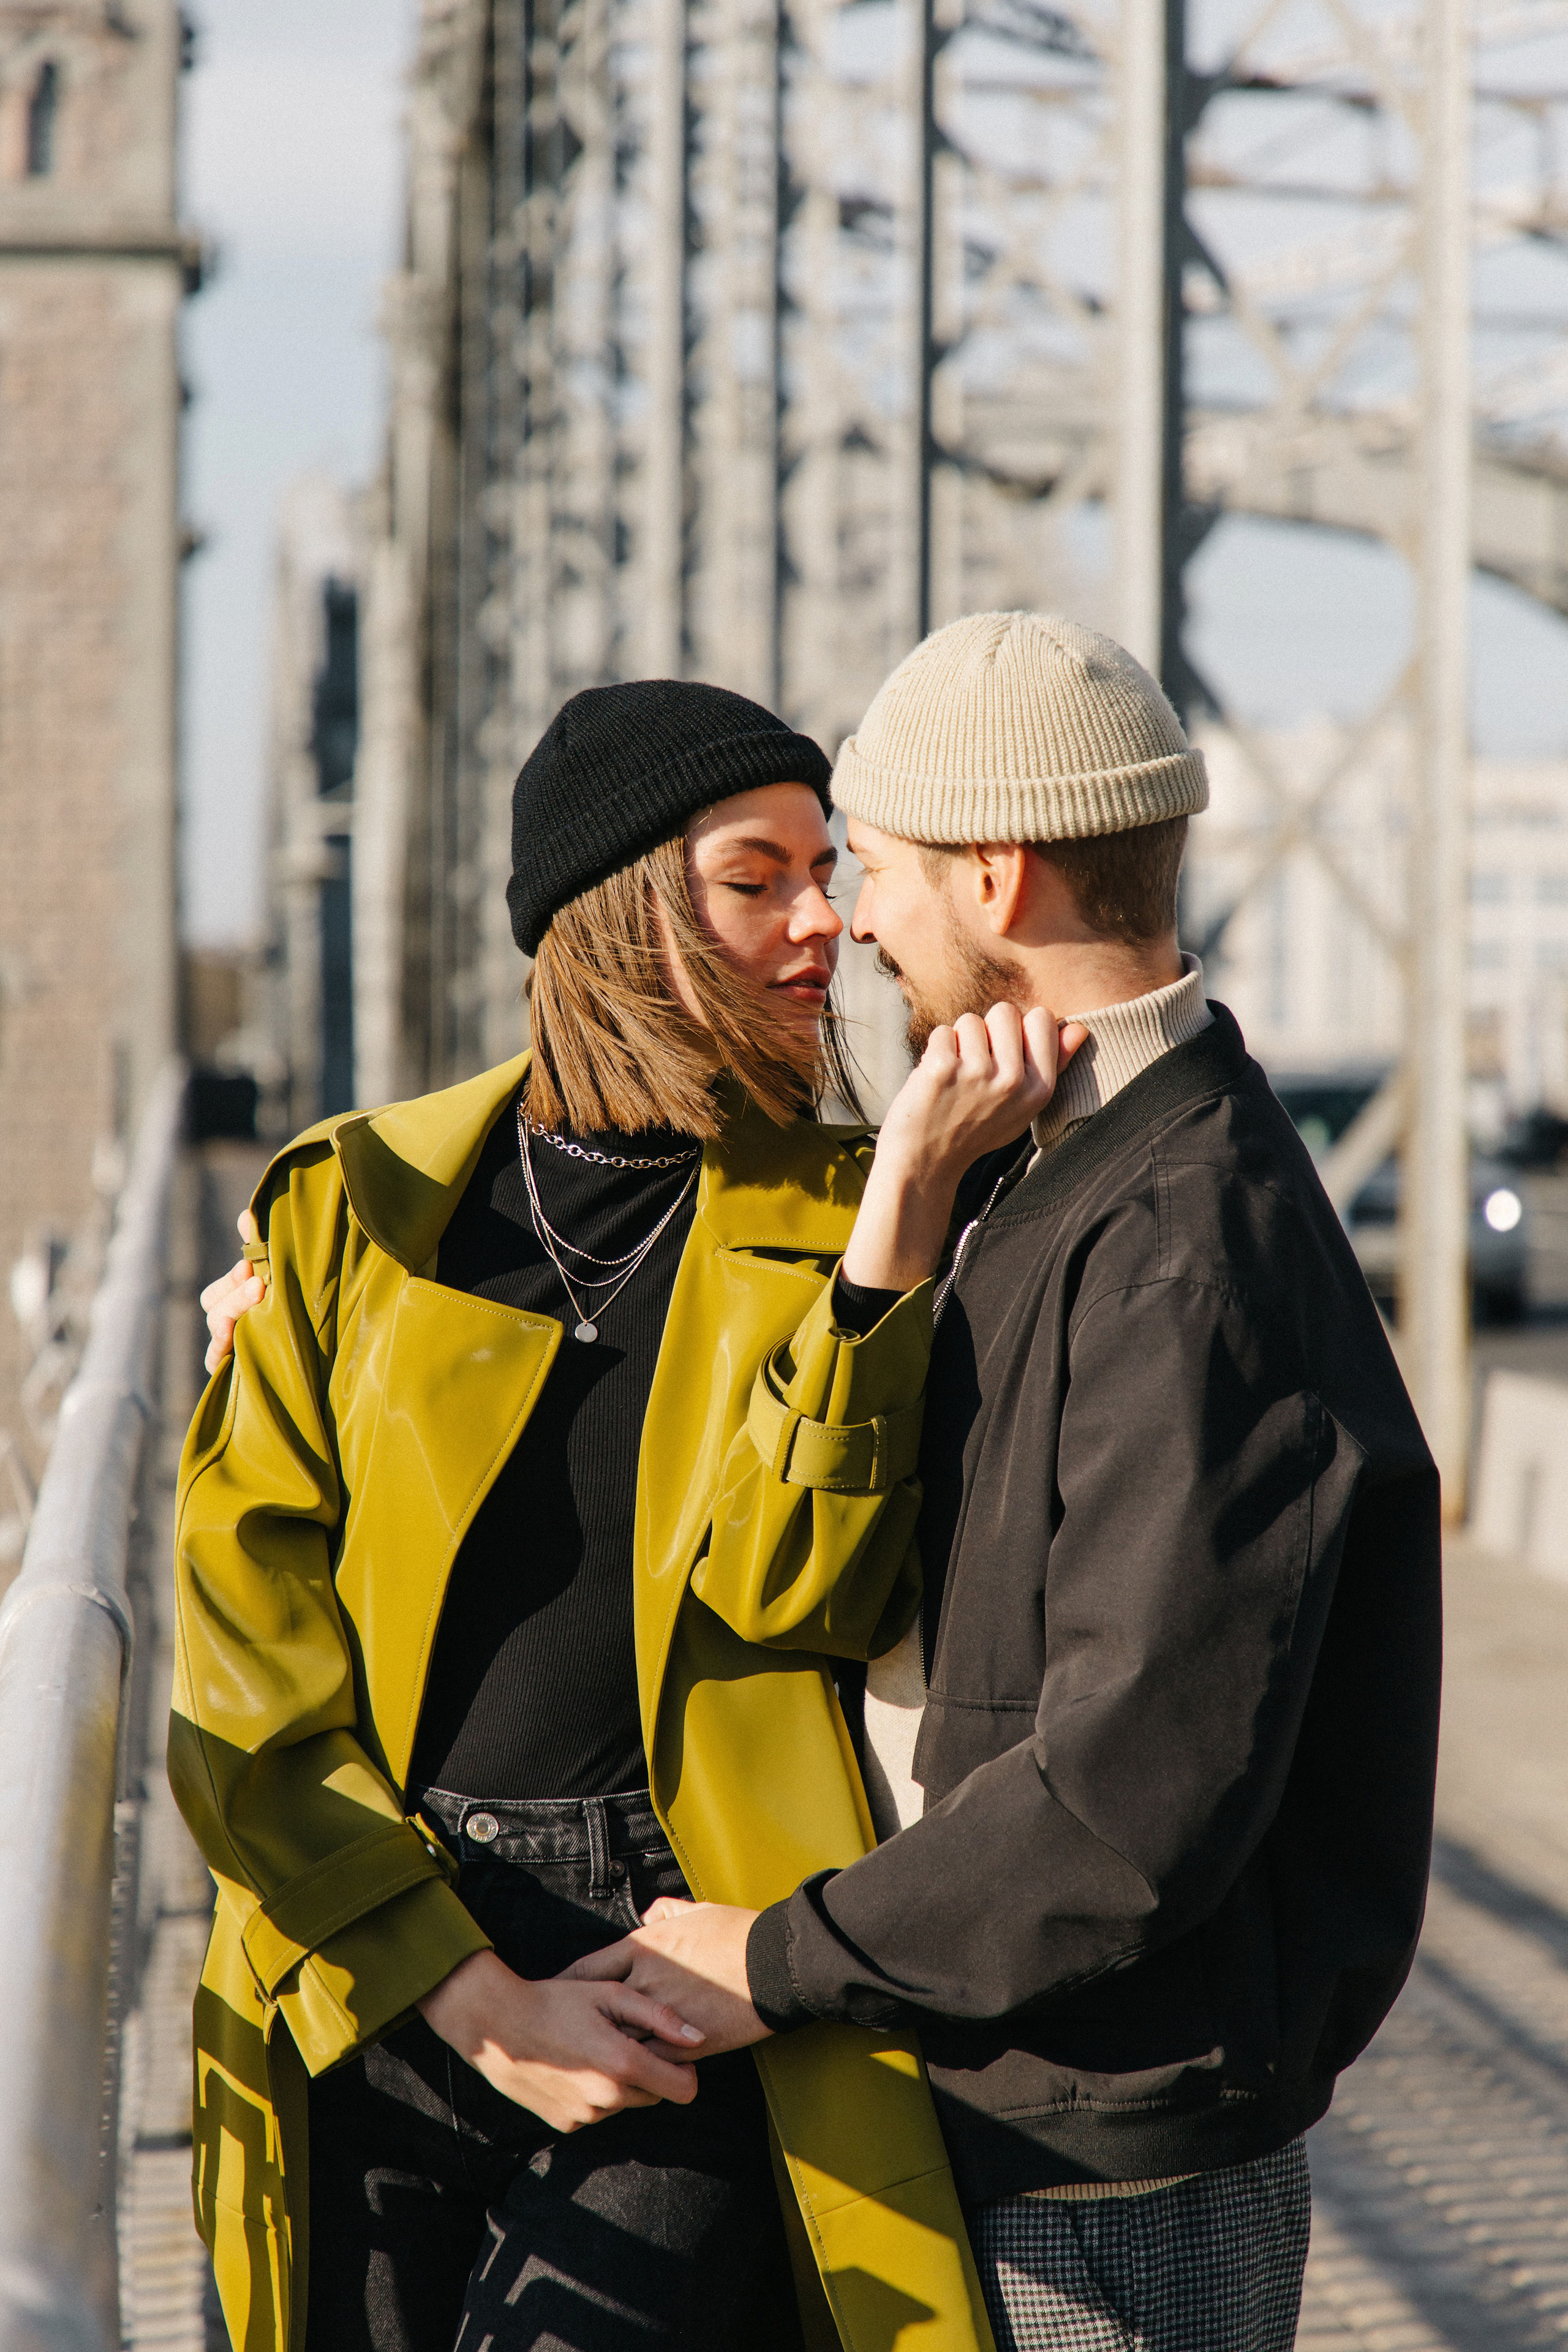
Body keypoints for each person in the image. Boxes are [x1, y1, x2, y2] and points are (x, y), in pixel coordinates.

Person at [570, 615, 1444, 2352]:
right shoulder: (1058, 1172)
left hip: (1101, 2171)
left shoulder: (1183, 1247)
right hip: (1014, 2088)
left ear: (998, 873)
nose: (854, 923)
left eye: (877, 869)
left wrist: (767, 1959)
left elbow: (1125, 1805)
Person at [175, 677, 1072, 2352]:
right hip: (378, 1927)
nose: (826, 925)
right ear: (621, 912)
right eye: (760, 877)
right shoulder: (353, 1213)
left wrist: (883, 1259)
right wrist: (474, 1996)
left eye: (828, 872)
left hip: (688, 1944)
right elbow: (247, 1677)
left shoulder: (857, 1212)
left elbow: (801, 1588)